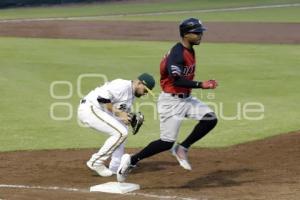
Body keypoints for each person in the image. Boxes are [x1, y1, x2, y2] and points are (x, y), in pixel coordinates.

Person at [117, 18, 218, 182]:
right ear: (186, 34)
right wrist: (202, 84)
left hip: (185, 99)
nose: (200, 35)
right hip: (171, 102)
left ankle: (182, 148)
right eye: (197, 32)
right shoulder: (177, 54)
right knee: (166, 142)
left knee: (210, 119)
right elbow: (176, 80)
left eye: (201, 32)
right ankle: (132, 160)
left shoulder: (190, 49)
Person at [77, 73, 155, 177]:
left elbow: (119, 115)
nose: (145, 94)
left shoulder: (131, 96)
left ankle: (115, 166)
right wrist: (120, 113)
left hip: (98, 111)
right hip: (90, 109)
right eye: (145, 90)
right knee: (121, 133)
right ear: (139, 83)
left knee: (123, 130)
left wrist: (129, 119)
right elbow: (102, 99)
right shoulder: (122, 85)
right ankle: (96, 162)